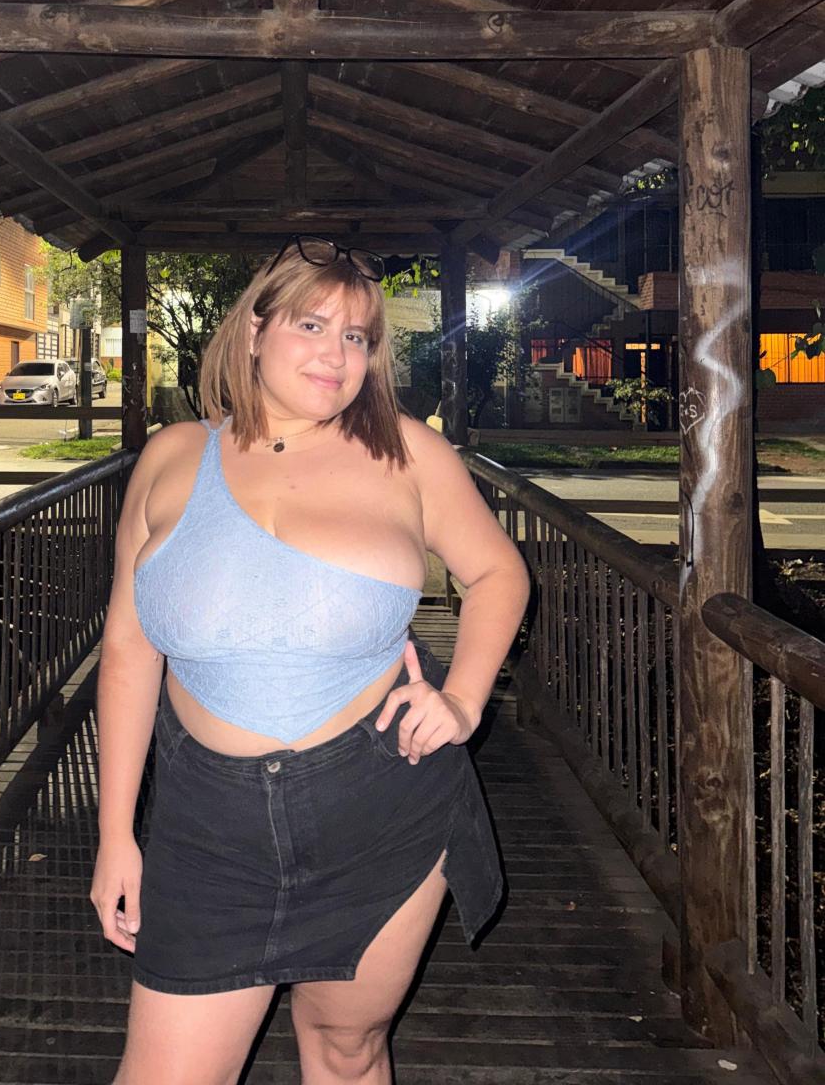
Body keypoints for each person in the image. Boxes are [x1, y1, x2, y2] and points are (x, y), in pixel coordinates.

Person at [91, 237, 530, 1085]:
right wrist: (116, 836)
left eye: (357, 336)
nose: (337, 354)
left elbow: (498, 573)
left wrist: (465, 699)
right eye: (312, 325)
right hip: (207, 829)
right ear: (255, 330)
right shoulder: (172, 457)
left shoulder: (408, 453)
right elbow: (128, 649)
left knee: (347, 1049)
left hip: (380, 805)